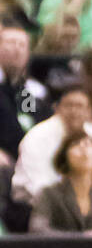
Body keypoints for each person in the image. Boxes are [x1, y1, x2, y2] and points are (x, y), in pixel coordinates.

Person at [11, 84, 92, 206]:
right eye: (69, 105)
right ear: (57, 108)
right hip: (35, 206)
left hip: (87, 207)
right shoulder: (37, 137)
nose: (75, 111)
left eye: (80, 106)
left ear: (89, 112)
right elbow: (39, 186)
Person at [29, 131, 92, 234]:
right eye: (76, 144)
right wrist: (83, 237)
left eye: (89, 144)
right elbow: (38, 230)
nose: (83, 148)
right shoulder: (48, 193)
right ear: (64, 157)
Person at [0, 24, 50, 160]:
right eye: (11, 43)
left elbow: (32, 123)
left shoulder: (32, 91)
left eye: (22, 45)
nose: (17, 48)